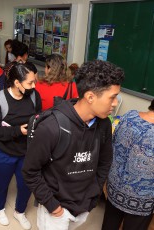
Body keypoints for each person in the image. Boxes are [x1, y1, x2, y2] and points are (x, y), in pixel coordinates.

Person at [22, 60, 125, 230]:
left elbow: (105, 161)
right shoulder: (51, 127)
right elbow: (30, 171)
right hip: (56, 209)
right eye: (112, 97)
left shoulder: (104, 124)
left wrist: (94, 193)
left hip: (85, 203)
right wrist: (52, 205)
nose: (115, 104)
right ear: (90, 97)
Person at [0, 63, 42, 229]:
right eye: (30, 83)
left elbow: (38, 117)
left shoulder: (33, 96)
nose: (34, 86)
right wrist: (19, 131)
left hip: (27, 152)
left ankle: (20, 211)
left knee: (26, 184)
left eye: (34, 82)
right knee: (1, 183)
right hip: (2, 151)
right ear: (17, 83)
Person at [101, 99, 154, 230]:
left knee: (109, 224)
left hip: (114, 189)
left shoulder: (129, 116)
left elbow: (113, 145)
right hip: (142, 201)